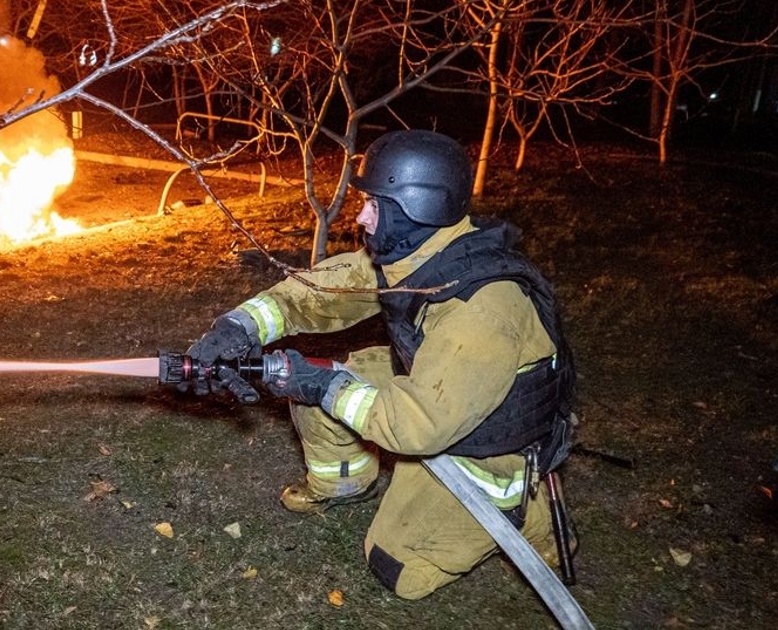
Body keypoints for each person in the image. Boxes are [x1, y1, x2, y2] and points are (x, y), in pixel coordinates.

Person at [183, 129, 576, 600]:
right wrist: (240, 326)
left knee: (397, 568)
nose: (361, 217)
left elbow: (416, 426)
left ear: (416, 208)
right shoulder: (420, 254)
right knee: (322, 376)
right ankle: (346, 486)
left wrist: (323, 385)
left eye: (374, 204)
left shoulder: (481, 312)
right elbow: (325, 291)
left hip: (484, 447)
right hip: (439, 392)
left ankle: (523, 510)